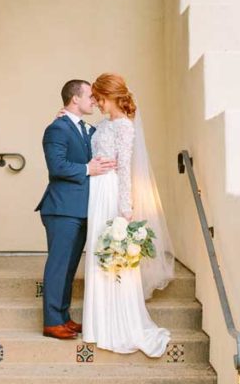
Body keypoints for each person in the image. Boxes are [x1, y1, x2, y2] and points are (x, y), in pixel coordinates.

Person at [80, 73, 172, 357]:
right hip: (96, 192)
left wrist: (125, 207)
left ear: (111, 97)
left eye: (100, 98)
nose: (96, 103)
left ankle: (118, 323)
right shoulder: (103, 124)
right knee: (98, 252)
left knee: (113, 255)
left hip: (111, 193)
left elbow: (124, 169)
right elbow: (88, 140)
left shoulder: (124, 127)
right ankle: (97, 324)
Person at [35, 80, 116, 340]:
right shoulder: (56, 129)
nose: (94, 101)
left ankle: (63, 317)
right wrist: (86, 169)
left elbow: (104, 138)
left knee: (70, 267)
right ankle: (51, 322)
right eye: (90, 96)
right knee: (59, 265)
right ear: (74, 100)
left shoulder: (86, 129)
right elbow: (57, 166)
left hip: (82, 209)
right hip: (61, 209)